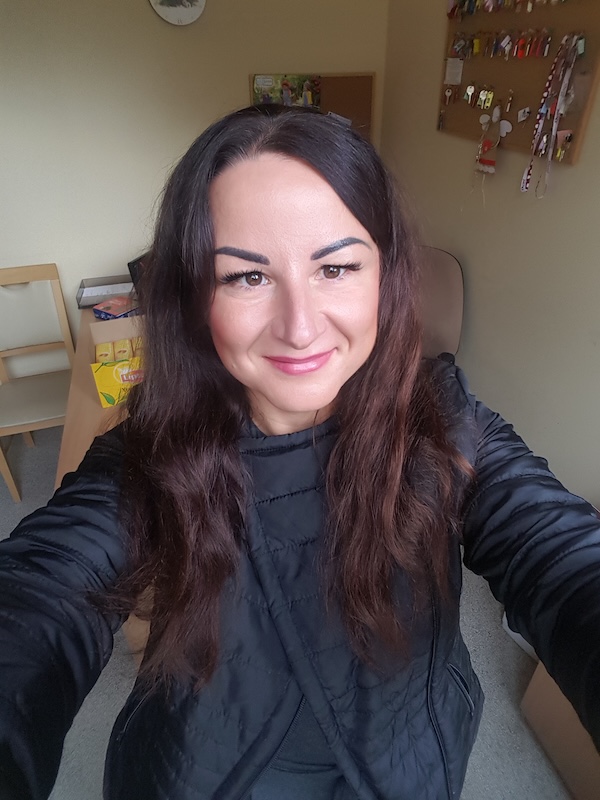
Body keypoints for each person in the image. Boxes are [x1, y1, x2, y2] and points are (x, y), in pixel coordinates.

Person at [0, 105, 599, 800]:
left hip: (412, 768)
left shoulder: (448, 421)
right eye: (247, 277)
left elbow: (564, 559)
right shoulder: (150, 453)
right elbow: (39, 600)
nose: (300, 326)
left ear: (386, 276)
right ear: (194, 297)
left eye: (336, 267)